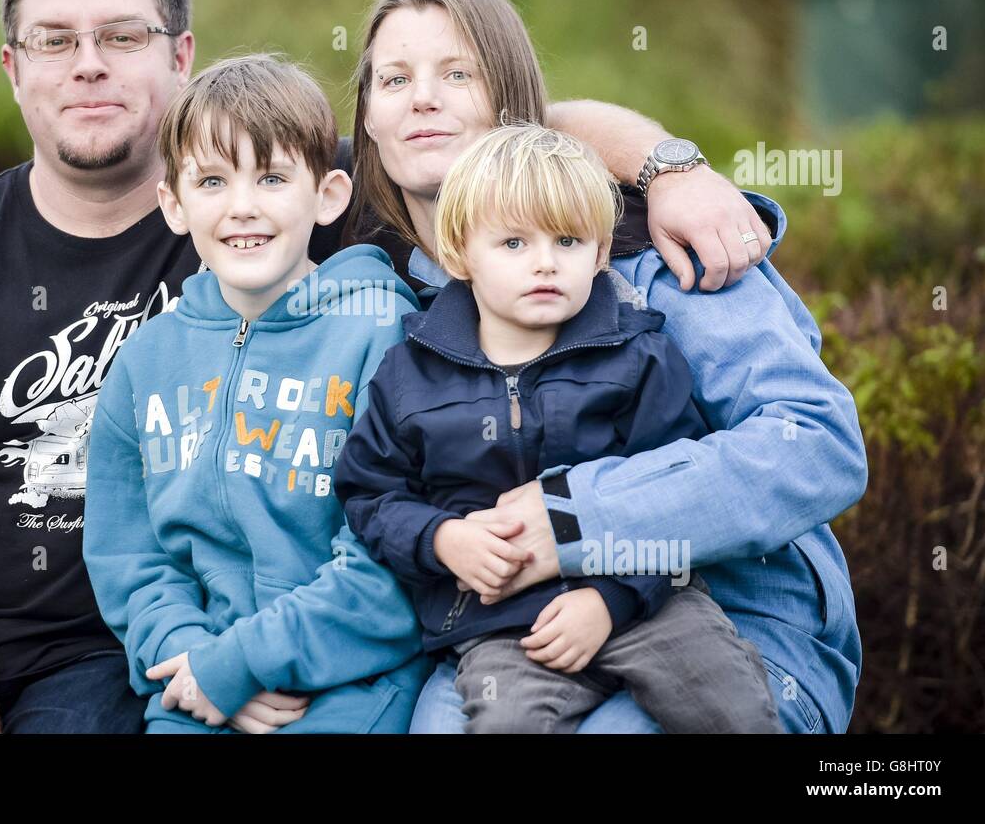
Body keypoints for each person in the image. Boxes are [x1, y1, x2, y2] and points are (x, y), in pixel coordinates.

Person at [0, 0, 775, 734]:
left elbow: (507, 126)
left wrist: (668, 165)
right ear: (12, 67)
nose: (88, 66)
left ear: (181, 57)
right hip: (88, 651)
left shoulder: (310, 236)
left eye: (123, 37)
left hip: (121, 663)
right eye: (55, 41)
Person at [344, 0, 867, 733]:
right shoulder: (378, 273)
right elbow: (219, 158)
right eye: (395, 79)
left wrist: (577, 516)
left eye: (459, 73)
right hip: (507, 636)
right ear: (366, 120)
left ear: (512, 106)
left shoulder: (650, 252)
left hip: (726, 618)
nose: (423, 97)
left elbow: (817, 443)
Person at [336, 123, 783, 732]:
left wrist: (611, 599)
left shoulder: (637, 356)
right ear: (461, 253)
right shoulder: (411, 373)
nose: (544, 263)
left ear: (600, 254)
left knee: (735, 706)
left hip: (647, 608)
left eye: (568, 241)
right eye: (514, 243)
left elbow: (675, 494)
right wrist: (444, 540)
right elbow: (370, 493)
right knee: (505, 722)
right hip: (505, 626)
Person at [83, 53, 431, 733]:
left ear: (327, 195)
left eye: (272, 177)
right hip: (196, 685)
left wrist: (244, 661)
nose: (243, 206)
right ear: (174, 204)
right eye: (212, 180)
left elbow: (389, 562)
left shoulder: (378, 332)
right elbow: (130, 556)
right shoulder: (146, 360)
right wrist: (191, 654)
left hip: (349, 684)